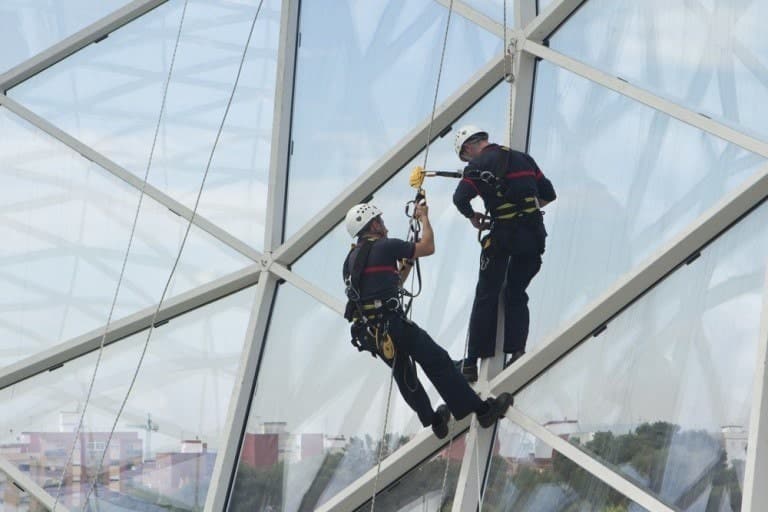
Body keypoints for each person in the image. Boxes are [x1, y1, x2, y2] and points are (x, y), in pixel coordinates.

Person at [342, 202, 512, 438]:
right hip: (393, 324)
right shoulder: (386, 246)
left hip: (372, 333)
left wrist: (406, 265)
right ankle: (483, 411)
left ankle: (434, 421)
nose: (385, 225)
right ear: (373, 225)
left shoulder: (351, 259)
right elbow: (428, 246)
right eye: (380, 221)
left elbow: (388, 285)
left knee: (404, 375)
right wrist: (424, 218)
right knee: (437, 361)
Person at [452, 125, 556, 382]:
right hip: (532, 237)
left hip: (504, 238)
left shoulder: (476, 167)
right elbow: (549, 194)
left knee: (486, 294)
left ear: (467, 148)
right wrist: (525, 210)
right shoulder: (523, 158)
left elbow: (460, 198)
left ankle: (472, 361)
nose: (468, 161)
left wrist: (473, 216)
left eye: (465, 157)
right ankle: (517, 352)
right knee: (516, 293)